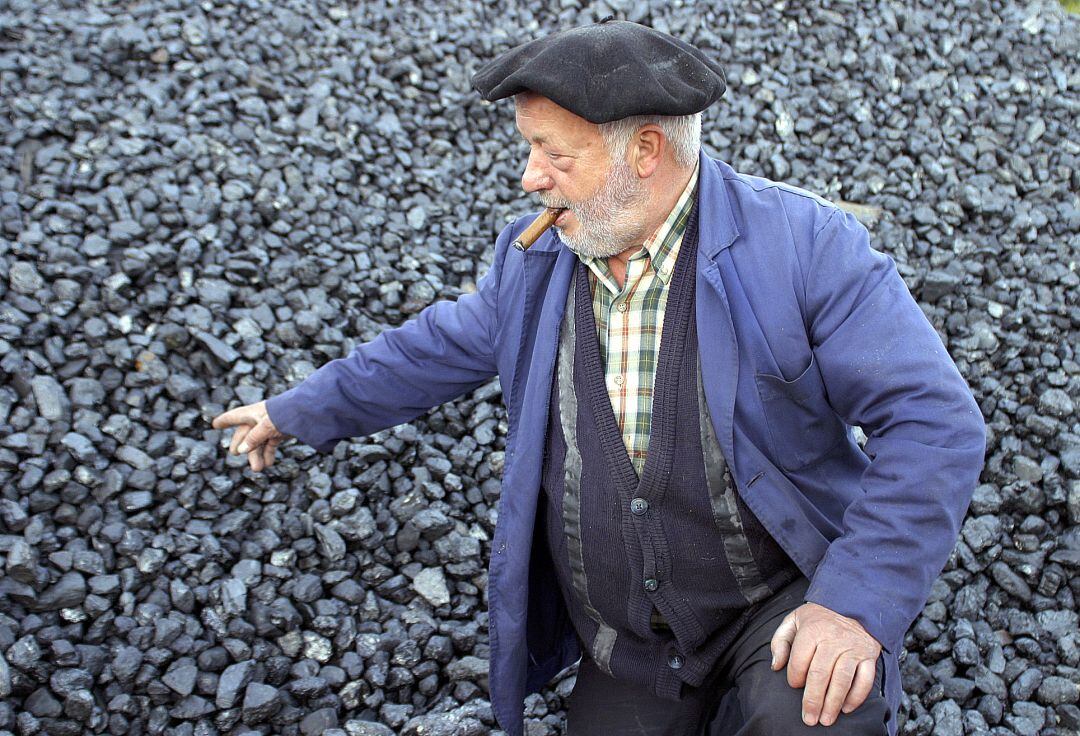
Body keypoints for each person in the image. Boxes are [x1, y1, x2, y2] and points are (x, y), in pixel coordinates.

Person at [212, 20, 986, 736]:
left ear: (644, 151)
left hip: (776, 603)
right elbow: (432, 348)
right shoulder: (539, 258)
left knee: (814, 715)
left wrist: (850, 607)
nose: (529, 178)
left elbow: (934, 423)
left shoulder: (806, 245)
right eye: (529, 149)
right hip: (633, 642)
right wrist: (295, 410)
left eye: (556, 155)